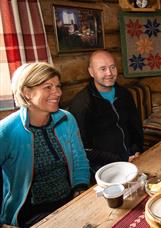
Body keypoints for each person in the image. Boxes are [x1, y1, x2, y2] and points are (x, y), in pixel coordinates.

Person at [0, 62, 90, 226]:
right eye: (48, 87)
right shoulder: (6, 131)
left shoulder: (66, 119)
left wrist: (80, 189)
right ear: (27, 92)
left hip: (69, 201)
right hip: (31, 213)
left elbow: (79, 160)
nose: (57, 92)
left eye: (58, 86)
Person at [69, 50, 144, 174]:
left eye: (112, 67)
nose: (109, 73)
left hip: (133, 156)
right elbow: (84, 148)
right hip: (103, 166)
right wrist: (121, 159)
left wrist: (137, 150)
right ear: (91, 72)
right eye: (103, 69)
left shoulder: (124, 94)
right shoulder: (82, 104)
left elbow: (136, 126)